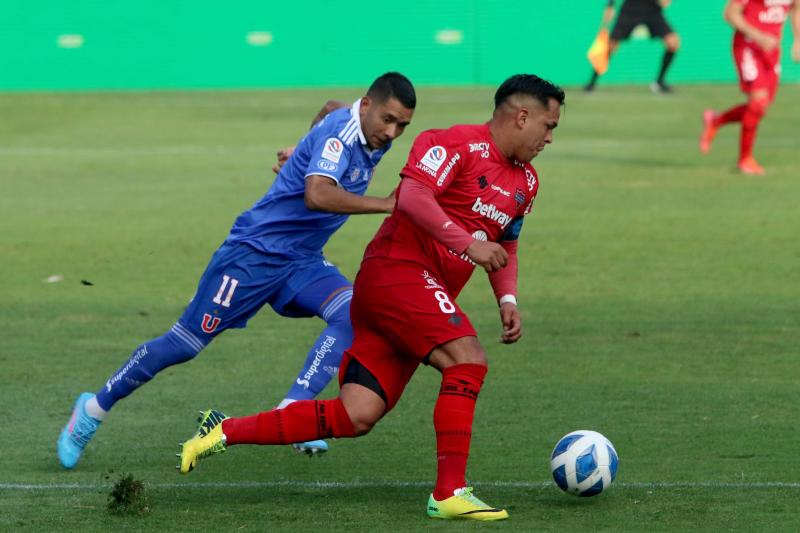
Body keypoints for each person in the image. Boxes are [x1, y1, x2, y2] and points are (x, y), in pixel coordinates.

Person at [177, 74, 565, 521]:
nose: (549, 138)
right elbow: (413, 198)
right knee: (467, 359)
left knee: (356, 415)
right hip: (396, 274)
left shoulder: (526, 183)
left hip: (412, 297)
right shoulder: (453, 144)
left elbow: (507, 243)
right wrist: (467, 244)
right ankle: (449, 492)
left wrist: (508, 299)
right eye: (548, 126)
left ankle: (221, 432)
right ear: (522, 116)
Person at [56, 72, 416, 469]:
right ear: (366, 105)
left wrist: (302, 151)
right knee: (183, 344)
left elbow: (331, 107)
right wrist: (384, 203)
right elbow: (316, 194)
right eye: (388, 119)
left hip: (301, 260)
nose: (393, 131)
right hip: (252, 256)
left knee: (354, 313)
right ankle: (92, 408)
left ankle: (294, 408)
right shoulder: (342, 137)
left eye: (402, 124)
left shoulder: (363, 131)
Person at [699, 0, 799, 175]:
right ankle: (745, 160)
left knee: (761, 107)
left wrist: (798, 39)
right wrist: (758, 36)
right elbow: (730, 14)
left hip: (771, 50)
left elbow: (797, 8)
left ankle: (716, 120)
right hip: (748, 47)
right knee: (758, 102)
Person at [584, 0, 681, 93]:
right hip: (631, 9)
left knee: (673, 43)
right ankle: (592, 82)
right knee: (611, 46)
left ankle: (659, 82)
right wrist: (610, 4)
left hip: (652, 9)